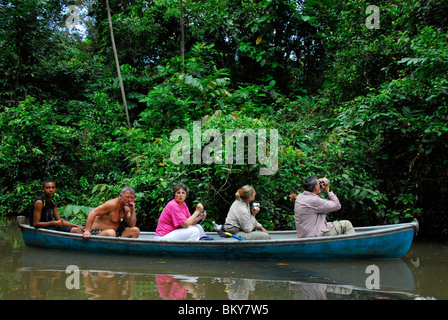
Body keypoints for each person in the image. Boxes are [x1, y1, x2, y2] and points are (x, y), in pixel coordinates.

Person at [291, 176, 355, 238]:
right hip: (315, 235)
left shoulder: (300, 197)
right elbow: (337, 205)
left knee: (329, 224)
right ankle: (351, 247)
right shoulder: (313, 201)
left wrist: (319, 187)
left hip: (306, 233)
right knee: (346, 224)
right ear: (316, 187)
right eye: (319, 184)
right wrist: (328, 190)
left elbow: (314, 196)